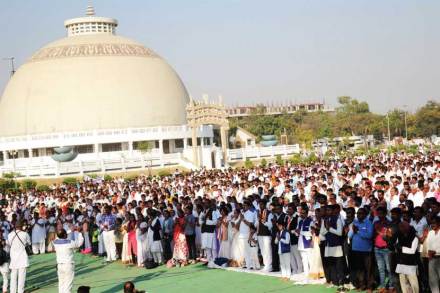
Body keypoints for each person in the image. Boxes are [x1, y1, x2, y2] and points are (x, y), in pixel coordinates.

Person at [348, 207, 374, 291]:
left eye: (360, 213)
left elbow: (369, 236)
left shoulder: (369, 223)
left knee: (368, 269)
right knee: (359, 269)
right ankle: (362, 285)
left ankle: (369, 287)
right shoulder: (354, 223)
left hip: (366, 250)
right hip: (356, 249)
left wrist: (358, 231)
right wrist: (352, 230)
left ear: (365, 214)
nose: (358, 215)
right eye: (357, 213)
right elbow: (349, 236)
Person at [53, 228, 84, 293]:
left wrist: (70, 230)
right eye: (66, 234)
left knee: (61, 284)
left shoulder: (55, 242)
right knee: (68, 285)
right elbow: (79, 243)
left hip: (60, 266)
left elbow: (59, 235)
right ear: (64, 235)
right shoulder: (69, 242)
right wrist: (79, 233)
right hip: (68, 265)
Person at [7, 221, 31, 293]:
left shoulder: (10, 235)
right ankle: (20, 291)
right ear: (21, 226)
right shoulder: (25, 234)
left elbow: (8, 244)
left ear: (15, 226)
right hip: (22, 258)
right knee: (21, 277)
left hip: (13, 258)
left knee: (13, 276)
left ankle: (12, 291)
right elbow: (29, 243)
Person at [395, 221, 419, 293]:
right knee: (403, 284)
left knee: (414, 283)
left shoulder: (414, 237)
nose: (400, 228)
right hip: (401, 262)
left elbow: (412, 251)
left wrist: (401, 248)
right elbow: (396, 246)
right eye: (400, 227)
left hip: (410, 263)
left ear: (407, 228)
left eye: (402, 227)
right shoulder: (399, 236)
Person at [426, 216, 440, 293]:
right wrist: (429, 252)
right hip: (432, 258)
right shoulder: (430, 232)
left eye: (434, 223)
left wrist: (436, 251)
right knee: (433, 279)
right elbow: (428, 243)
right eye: (431, 223)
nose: (432, 225)